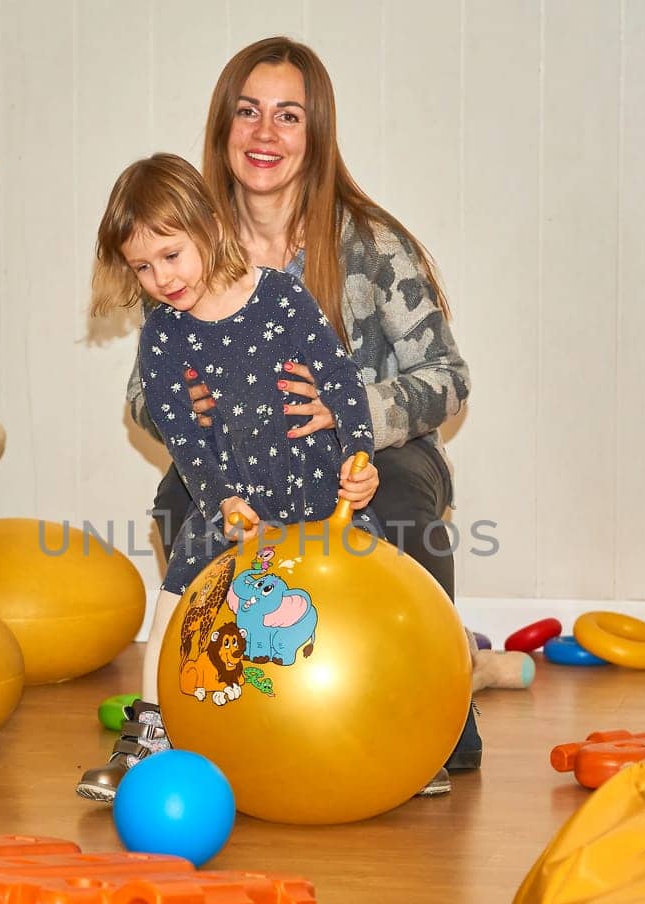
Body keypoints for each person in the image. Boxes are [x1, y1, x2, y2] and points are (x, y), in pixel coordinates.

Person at [117, 36, 479, 793]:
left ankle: (432, 705)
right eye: (247, 112)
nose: (264, 133)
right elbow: (143, 395)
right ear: (223, 127)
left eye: (288, 116)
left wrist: (352, 416)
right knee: (184, 498)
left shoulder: (372, 244)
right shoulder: (188, 240)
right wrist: (194, 407)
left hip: (360, 449)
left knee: (404, 501)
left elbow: (448, 377)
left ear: (316, 135)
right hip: (242, 457)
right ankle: (212, 702)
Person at [77, 152, 404, 802]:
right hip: (232, 497)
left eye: (170, 255)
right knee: (181, 592)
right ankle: (150, 730)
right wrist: (220, 498)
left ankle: (388, 727)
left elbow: (340, 377)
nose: (160, 278)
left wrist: (357, 456)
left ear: (206, 229)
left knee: (356, 594)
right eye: (142, 267)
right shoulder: (165, 336)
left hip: (314, 488)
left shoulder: (279, 295)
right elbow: (185, 436)